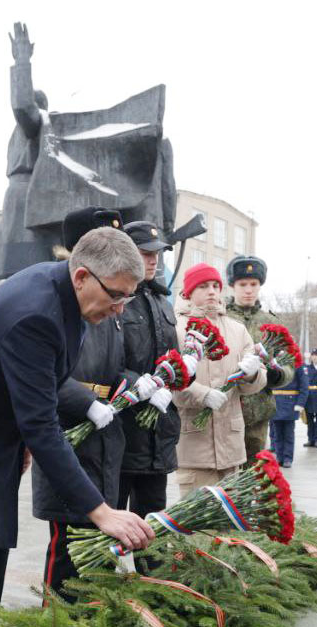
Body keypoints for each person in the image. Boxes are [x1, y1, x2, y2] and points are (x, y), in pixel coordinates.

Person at [0, 227, 154, 615]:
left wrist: (19, 444)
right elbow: (42, 426)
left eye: (129, 296)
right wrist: (101, 511)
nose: (121, 308)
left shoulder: (62, 294)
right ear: (82, 276)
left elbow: (38, 389)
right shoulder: (36, 315)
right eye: (116, 295)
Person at [35, 209, 168, 597]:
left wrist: (138, 383)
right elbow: (44, 376)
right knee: (67, 551)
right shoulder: (60, 303)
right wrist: (86, 401)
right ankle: (56, 626)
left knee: (97, 552)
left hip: (106, 440)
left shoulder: (110, 304)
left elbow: (116, 366)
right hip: (69, 437)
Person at [172, 263, 267, 490]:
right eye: (203, 286)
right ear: (188, 292)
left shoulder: (236, 330)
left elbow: (254, 384)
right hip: (195, 447)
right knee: (199, 524)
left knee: (228, 522)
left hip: (232, 449)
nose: (212, 291)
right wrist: (202, 395)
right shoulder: (176, 328)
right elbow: (170, 381)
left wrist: (253, 374)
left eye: (216, 285)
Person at [114, 220, 185, 523]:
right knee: (112, 527)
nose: (153, 259)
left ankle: (149, 572)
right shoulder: (117, 300)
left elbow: (175, 361)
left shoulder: (162, 301)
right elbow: (103, 363)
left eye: (157, 253)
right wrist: (137, 384)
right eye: (145, 253)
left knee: (153, 527)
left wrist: (175, 380)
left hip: (159, 435)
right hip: (123, 429)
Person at [224, 254, 295, 463]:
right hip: (226, 407)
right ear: (232, 286)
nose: (248, 290)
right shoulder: (221, 318)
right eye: (242, 284)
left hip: (258, 411)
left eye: (253, 284)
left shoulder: (272, 322)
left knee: (253, 473)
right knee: (225, 473)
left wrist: (278, 374)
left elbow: (289, 362)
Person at [269, 367, 306, 467]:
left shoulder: (297, 366)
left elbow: (304, 386)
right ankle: (279, 457)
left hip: (291, 403)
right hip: (276, 402)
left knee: (288, 434)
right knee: (277, 434)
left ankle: (288, 458)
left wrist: (300, 403)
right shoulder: (274, 363)